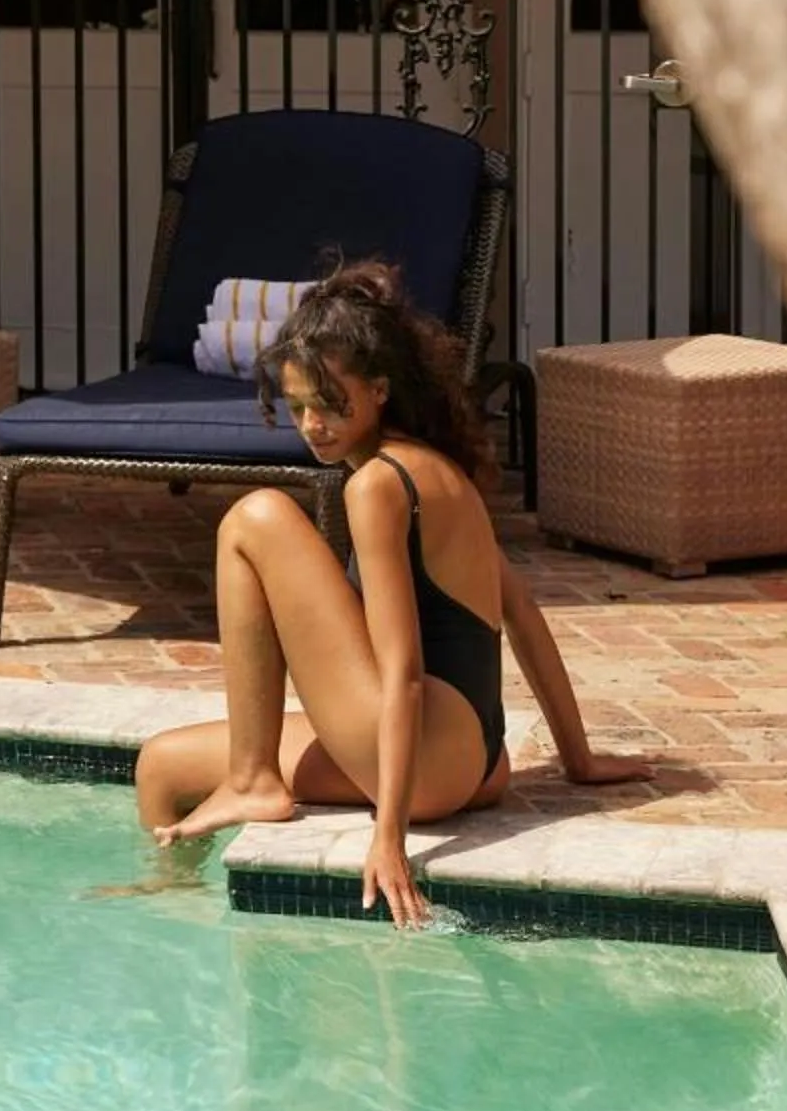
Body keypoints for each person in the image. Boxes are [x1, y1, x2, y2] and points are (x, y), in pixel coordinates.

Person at [132, 260, 651, 925]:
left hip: (428, 764)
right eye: (298, 408)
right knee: (161, 766)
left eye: (330, 403)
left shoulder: (377, 486)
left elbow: (403, 674)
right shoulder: (439, 472)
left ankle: (250, 785)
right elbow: (520, 611)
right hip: (480, 763)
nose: (313, 424)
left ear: (378, 390)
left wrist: (390, 838)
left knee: (254, 517)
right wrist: (577, 761)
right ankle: (182, 890)